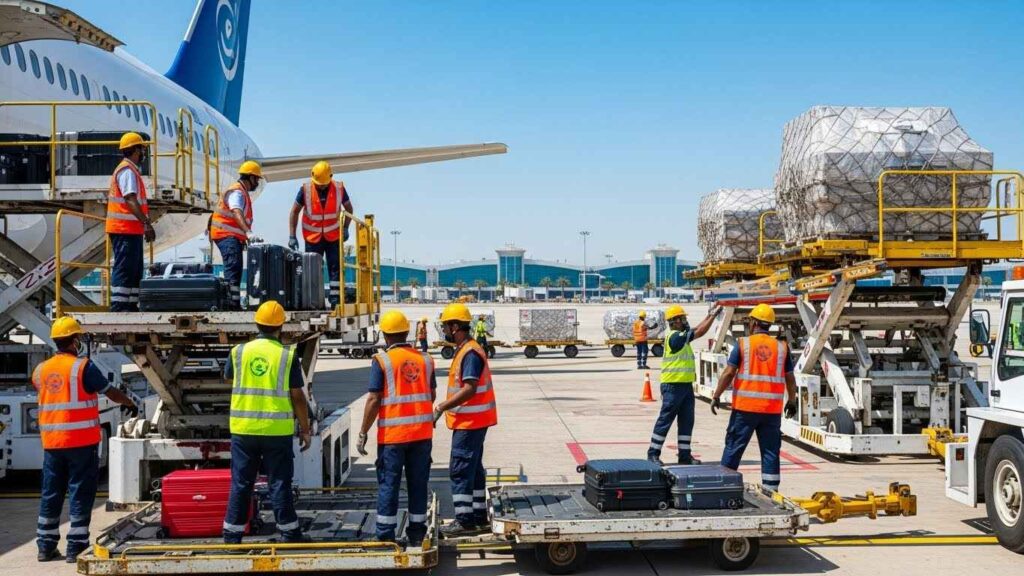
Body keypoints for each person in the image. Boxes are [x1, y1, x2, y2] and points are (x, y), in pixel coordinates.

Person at [33, 317, 137, 562]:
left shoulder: (41, 369)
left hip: (52, 443)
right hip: (80, 442)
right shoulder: (83, 367)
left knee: (51, 493)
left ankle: (45, 547)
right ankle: (75, 547)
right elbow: (108, 391)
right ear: (74, 340)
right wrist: (130, 402)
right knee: (80, 492)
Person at [222, 301, 312, 544]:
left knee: (241, 483)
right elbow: (297, 396)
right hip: (276, 431)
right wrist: (305, 429)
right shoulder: (286, 355)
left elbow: (230, 379)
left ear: (257, 323)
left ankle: (232, 536)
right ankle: (290, 533)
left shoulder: (239, 352)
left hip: (243, 430)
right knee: (279, 482)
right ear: (280, 326)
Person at [355, 310, 435, 545]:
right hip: (421, 435)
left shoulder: (382, 360)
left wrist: (363, 432)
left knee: (389, 484)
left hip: (393, 436)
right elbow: (431, 394)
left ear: (385, 334)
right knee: (418, 484)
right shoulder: (426, 359)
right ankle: (418, 533)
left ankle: (386, 535)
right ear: (406, 332)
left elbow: (373, 399)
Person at [710, 303, 798, 493]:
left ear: (755, 323)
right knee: (770, 452)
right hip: (771, 411)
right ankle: (771, 491)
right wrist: (792, 400)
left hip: (745, 409)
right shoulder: (782, 348)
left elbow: (728, 373)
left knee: (734, 448)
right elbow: (790, 378)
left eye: (750, 320)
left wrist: (716, 395)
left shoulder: (743, 344)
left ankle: (725, 488)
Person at [432, 303, 497, 537]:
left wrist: (441, 407)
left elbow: (469, 389)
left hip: (470, 422)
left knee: (460, 469)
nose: (444, 331)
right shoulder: (466, 349)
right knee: (474, 470)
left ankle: (464, 521)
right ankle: (479, 517)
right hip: (474, 420)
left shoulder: (470, 352)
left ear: (456, 326)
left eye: (446, 326)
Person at [647, 304, 720, 465]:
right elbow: (699, 332)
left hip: (685, 386)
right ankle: (653, 454)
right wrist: (713, 317)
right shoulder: (674, 338)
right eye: (683, 318)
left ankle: (685, 455)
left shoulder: (681, 335)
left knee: (687, 421)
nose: (685, 321)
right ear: (675, 321)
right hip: (673, 386)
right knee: (665, 420)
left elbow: (695, 329)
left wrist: (709, 315)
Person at [288, 161, 354, 309]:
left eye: (324, 184)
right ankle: (314, 300)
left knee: (335, 267)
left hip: (333, 236)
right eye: (319, 184)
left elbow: (349, 208)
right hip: (312, 237)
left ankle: (335, 300)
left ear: (331, 177)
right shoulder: (305, 189)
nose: (321, 187)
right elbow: (294, 211)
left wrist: (345, 227)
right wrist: (292, 235)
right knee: (312, 269)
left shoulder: (339, 188)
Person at [107, 132, 155, 312]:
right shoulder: (127, 171)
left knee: (134, 269)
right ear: (135, 150)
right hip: (123, 229)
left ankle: (130, 304)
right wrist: (146, 223)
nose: (144, 153)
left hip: (131, 230)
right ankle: (119, 306)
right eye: (142, 149)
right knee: (125, 268)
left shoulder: (131, 170)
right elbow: (130, 199)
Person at [209, 161, 263, 310]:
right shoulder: (237, 192)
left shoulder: (241, 191)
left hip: (230, 236)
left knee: (235, 268)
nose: (257, 182)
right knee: (233, 268)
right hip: (226, 235)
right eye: (256, 179)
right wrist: (248, 233)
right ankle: (232, 305)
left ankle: (234, 303)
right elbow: (236, 212)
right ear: (250, 177)